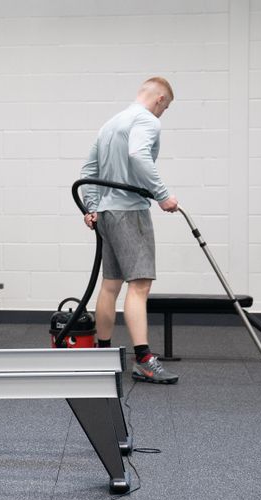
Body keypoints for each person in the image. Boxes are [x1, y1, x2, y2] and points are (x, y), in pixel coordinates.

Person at [79, 76, 179, 384]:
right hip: (130, 211)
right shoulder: (147, 120)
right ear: (160, 100)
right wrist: (162, 196)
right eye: (166, 107)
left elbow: (88, 171)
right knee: (140, 286)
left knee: (111, 285)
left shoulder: (110, 124)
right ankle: (144, 360)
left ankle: (103, 355)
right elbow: (138, 155)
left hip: (108, 213)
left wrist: (92, 206)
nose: (163, 113)